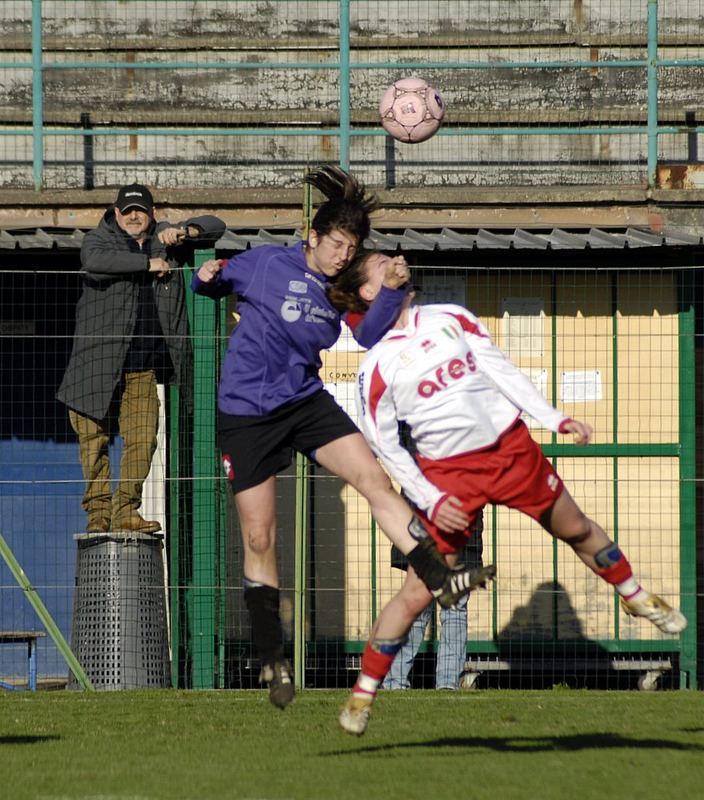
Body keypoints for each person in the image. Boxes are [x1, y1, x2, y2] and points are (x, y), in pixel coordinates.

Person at [330, 250, 687, 735]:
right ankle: (363, 695)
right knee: (418, 591)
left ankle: (635, 595)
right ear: (369, 292)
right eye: (379, 261)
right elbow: (384, 446)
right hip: (448, 478)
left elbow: (502, 370)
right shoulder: (375, 364)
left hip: (511, 449)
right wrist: (430, 498)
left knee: (576, 528)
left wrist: (554, 417)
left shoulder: (451, 316)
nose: (396, 259)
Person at [191, 165, 488, 711]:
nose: (341, 257)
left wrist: (390, 292)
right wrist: (206, 274)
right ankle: (272, 660)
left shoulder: (338, 286)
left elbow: (370, 334)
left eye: (350, 248)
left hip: (303, 401)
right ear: (313, 237)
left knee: (373, 476)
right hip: (246, 415)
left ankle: (434, 573)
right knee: (260, 539)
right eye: (335, 245)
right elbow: (209, 280)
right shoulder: (263, 264)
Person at [58, 183, 226, 534]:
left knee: (143, 439)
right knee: (93, 441)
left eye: (142, 211)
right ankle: (98, 513)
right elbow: (94, 262)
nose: (134, 216)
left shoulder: (165, 239)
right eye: (127, 211)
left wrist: (185, 230)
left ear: (151, 214)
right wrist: (146, 263)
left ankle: (125, 511)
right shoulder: (98, 240)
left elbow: (216, 225)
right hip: (95, 365)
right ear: (116, 213)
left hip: (141, 368)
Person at [382, 511, 483, 691]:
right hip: (458, 528)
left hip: (426, 529)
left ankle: (395, 682)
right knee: (452, 611)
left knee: (418, 611)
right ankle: (447, 683)